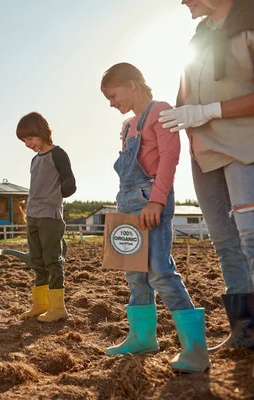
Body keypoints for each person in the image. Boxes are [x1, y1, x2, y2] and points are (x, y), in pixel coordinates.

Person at [158, 0, 254, 351]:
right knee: (226, 243)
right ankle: (244, 333)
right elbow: (182, 99)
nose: (183, 1)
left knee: (251, 238)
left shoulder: (250, 23)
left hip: (245, 148)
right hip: (205, 154)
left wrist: (210, 110)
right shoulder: (198, 38)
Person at [101, 62, 209, 372]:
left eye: (112, 94)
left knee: (160, 270)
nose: (111, 103)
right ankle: (142, 338)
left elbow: (168, 159)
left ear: (132, 84)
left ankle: (195, 349)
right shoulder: (128, 126)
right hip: (127, 201)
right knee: (134, 272)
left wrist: (157, 202)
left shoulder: (160, 110)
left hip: (151, 201)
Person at [15, 112, 76, 323]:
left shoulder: (58, 154)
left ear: (41, 132)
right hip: (33, 216)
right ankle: (41, 304)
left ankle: (58, 308)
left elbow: (69, 182)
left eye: (30, 138)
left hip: (50, 216)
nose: (27, 144)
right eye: (24, 141)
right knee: (37, 261)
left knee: (53, 261)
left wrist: (62, 191)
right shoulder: (34, 160)